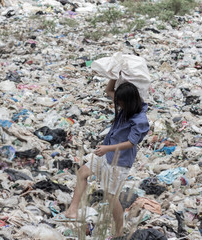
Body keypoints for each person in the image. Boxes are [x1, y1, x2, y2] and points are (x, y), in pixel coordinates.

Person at [53, 79, 150, 237]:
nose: (118, 105)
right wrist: (113, 75)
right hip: (106, 153)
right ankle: (72, 210)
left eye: (120, 102)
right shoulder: (129, 105)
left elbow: (131, 143)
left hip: (118, 161)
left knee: (111, 197)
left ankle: (119, 233)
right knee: (82, 174)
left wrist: (107, 148)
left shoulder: (140, 120)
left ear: (129, 102)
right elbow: (108, 91)